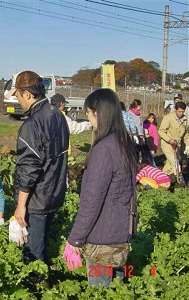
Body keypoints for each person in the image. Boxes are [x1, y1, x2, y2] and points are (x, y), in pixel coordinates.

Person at [66, 88, 137, 288]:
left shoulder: (103, 149)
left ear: (98, 112)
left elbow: (91, 200)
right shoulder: (125, 143)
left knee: (100, 290)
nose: (89, 119)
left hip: (102, 238)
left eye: (88, 113)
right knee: (117, 289)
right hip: (121, 233)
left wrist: (75, 240)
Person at [5, 71, 69, 275]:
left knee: (34, 255)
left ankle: (39, 286)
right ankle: (47, 275)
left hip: (38, 198)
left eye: (18, 95)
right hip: (55, 191)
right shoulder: (57, 114)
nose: (18, 100)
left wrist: (20, 206)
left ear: (28, 94)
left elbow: (29, 169)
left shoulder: (32, 124)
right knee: (42, 242)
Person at [158, 101, 189, 182]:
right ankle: (181, 180)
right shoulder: (168, 118)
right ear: (175, 110)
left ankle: (161, 179)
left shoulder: (185, 121)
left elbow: (186, 135)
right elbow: (161, 131)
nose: (181, 113)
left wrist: (187, 145)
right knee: (175, 163)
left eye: (183, 111)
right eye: (179, 111)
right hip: (167, 144)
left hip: (176, 145)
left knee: (169, 166)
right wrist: (169, 139)